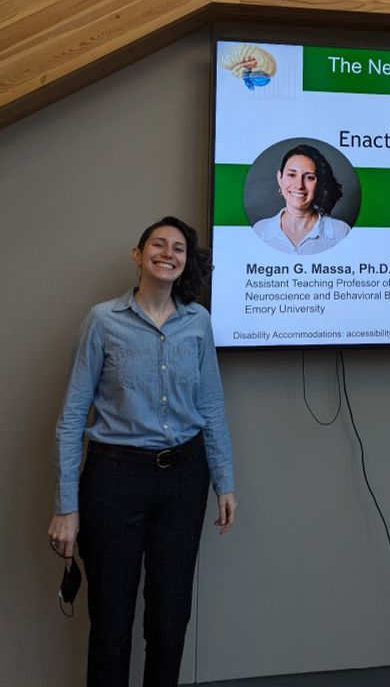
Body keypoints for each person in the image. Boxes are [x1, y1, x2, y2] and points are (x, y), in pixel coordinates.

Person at [48, 216, 237, 687]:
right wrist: (66, 507)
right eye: (158, 244)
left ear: (185, 261)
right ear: (138, 255)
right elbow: (73, 416)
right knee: (111, 624)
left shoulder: (198, 322)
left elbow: (211, 405)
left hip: (183, 481)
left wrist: (224, 480)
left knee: (170, 622)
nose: (168, 253)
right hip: (114, 481)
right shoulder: (103, 320)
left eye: (179, 247)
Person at [253, 143, 351, 254]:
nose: (299, 185)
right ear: (279, 178)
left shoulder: (341, 232)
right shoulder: (260, 230)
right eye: (291, 175)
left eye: (309, 177)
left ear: (319, 183)